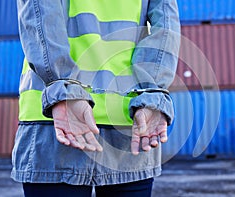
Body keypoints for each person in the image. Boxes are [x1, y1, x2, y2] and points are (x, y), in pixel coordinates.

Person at [11, 0, 180, 196]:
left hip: (57, 115)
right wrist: (153, 91)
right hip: (129, 119)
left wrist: (62, 88)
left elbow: (39, 14)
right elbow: (165, 25)